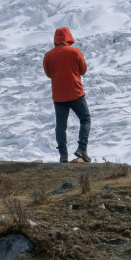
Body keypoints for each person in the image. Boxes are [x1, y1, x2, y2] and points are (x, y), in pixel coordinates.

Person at [43, 27, 91, 163]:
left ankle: (63, 155)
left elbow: (48, 74)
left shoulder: (48, 55)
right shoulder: (75, 52)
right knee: (85, 119)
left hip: (59, 96)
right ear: (68, 37)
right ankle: (82, 149)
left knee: (61, 125)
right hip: (76, 93)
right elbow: (83, 70)